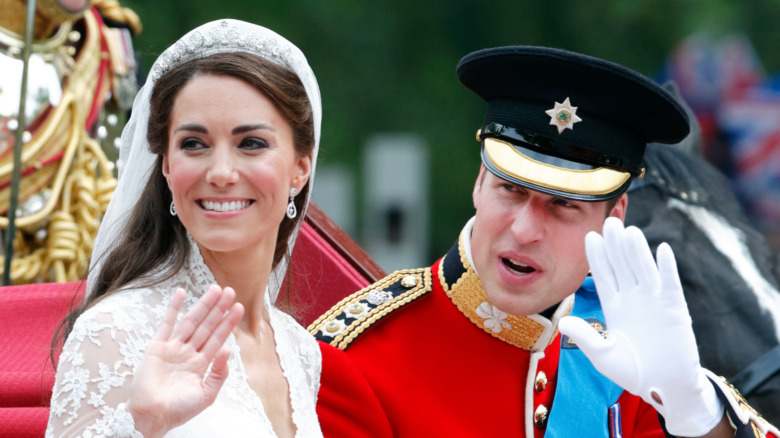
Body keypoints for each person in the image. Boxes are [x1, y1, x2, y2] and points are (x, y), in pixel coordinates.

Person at [309, 46, 780, 437]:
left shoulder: (629, 352)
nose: (525, 230)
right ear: (479, 182)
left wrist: (694, 409)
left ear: (614, 215)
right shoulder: (354, 356)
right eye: (511, 190)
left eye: (563, 206)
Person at [47, 19, 323, 437]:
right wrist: (142, 427)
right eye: (194, 144)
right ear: (166, 166)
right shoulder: (114, 332)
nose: (221, 172)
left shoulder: (301, 351)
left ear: (300, 169)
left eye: (251, 143)